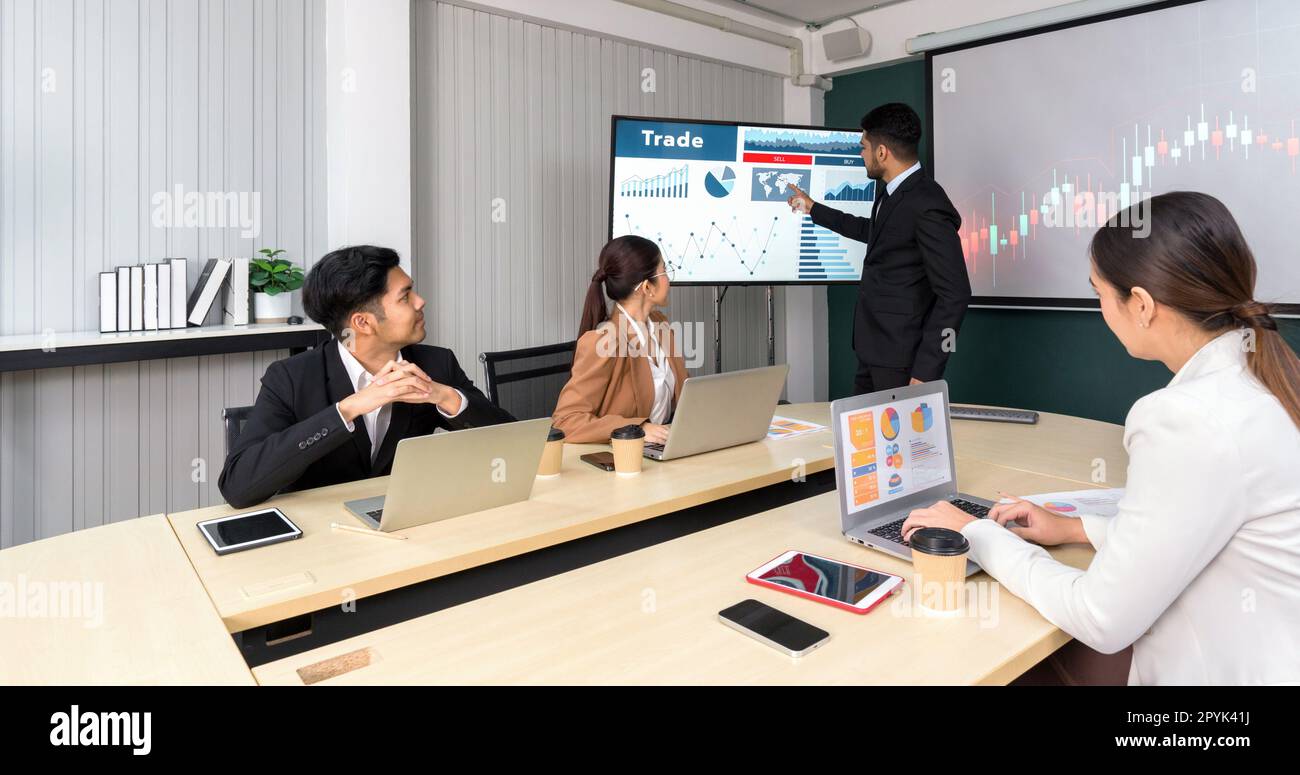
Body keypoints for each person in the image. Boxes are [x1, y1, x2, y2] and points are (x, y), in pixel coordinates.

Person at [901, 192, 1300, 684]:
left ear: (1142, 305)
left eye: (1100, 295)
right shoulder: (1264, 376)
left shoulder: (1187, 417)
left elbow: (1100, 618)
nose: (1101, 310)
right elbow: (1195, 529)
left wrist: (974, 533)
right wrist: (1076, 529)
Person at [218, 245, 514, 508]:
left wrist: (445, 396)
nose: (421, 302)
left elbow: (513, 445)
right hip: (321, 541)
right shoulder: (292, 378)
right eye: (405, 297)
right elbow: (238, 486)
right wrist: (348, 409)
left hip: (406, 525)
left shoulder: (436, 363)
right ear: (363, 322)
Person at [787, 102, 970, 393]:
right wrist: (813, 209)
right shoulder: (893, 192)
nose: (862, 155)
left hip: (905, 363)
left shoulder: (927, 203)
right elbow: (873, 233)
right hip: (875, 351)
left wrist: (927, 370)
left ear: (882, 152)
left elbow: (956, 293)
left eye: (864, 147)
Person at [552, 235, 689, 444]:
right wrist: (637, 429)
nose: (669, 278)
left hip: (662, 451)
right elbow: (566, 421)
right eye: (664, 270)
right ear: (646, 287)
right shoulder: (604, 341)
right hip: (623, 459)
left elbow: (684, 395)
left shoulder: (660, 325)